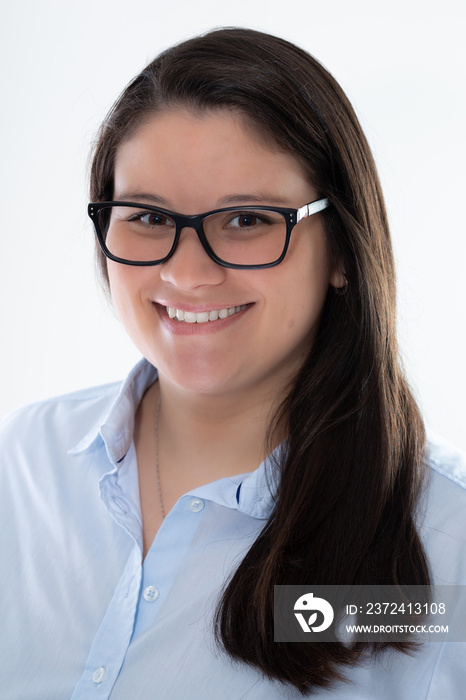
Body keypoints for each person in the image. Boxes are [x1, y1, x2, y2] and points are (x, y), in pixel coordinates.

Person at [0, 27, 465, 700]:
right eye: (149, 218)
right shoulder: (22, 466)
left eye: (246, 220)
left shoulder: (443, 547)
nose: (187, 274)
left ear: (340, 249)